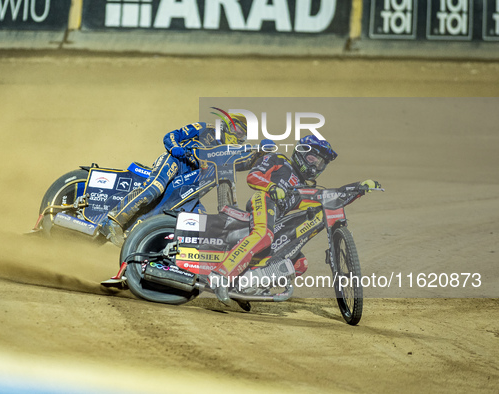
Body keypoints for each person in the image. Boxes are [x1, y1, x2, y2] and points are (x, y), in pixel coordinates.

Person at [208, 135, 380, 305]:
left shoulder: (305, 187)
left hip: (277, 218)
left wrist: (358, 188)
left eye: (320, 163)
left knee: (299, 263)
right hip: (264, 199)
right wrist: (272, 187)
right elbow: (253, 176)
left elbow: (329, 198)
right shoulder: (279, 160)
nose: (315, 165)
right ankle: (221, 275)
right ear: (301, 153)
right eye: (312, 158)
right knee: (263, 235)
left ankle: (245, 286)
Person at [99, 114, 251, 247]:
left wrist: (260, 154)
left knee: (199, 219)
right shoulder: (206, 128)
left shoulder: (227, 153)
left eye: (242, 134)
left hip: (191, 184)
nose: (238, 136)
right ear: (226, 124)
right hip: (176, 162)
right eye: (237, 129)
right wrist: (175, 148)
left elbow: (241, 163)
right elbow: (172, 135)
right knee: (155, 187)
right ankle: (113, 221)